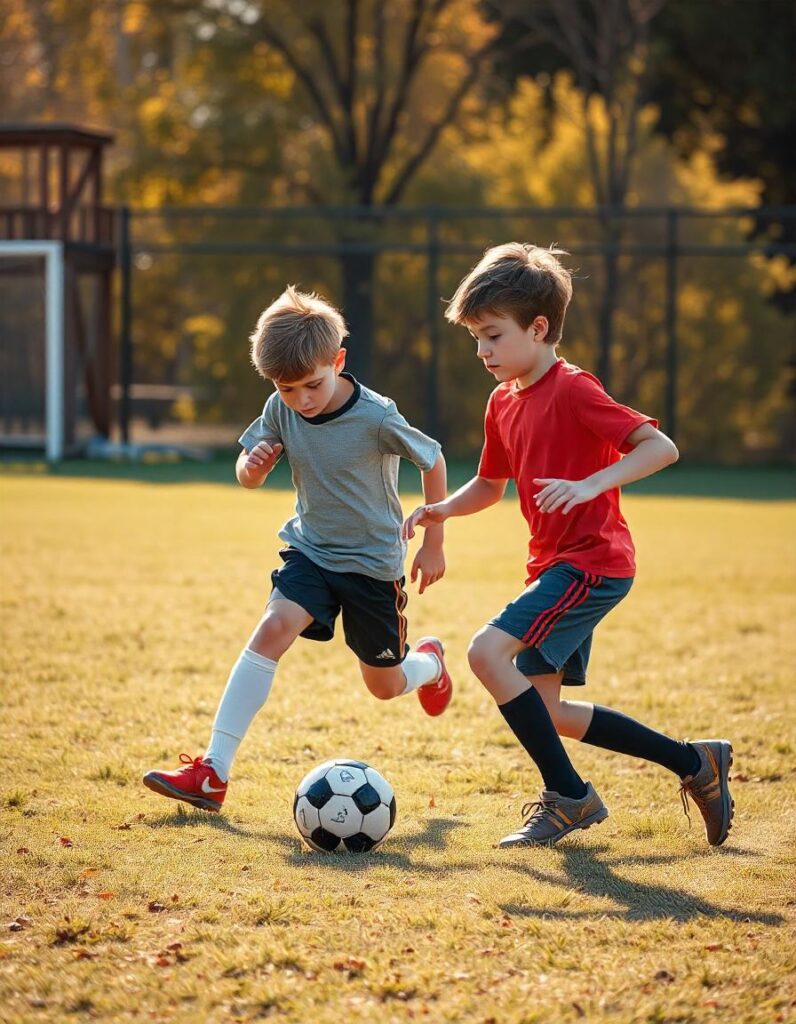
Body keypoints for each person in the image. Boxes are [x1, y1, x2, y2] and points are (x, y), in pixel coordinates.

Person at [403, 243, 733, 848]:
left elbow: (660, 448)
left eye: (494, 336)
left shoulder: (575, 389)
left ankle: (570, 797)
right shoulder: (502, 401)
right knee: (548, 712)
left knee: (484, 655)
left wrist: (590, 483)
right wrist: (439, 510)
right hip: (554, 567)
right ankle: (696, 763)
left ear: (539, 327)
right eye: (476, 337)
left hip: (591, 564)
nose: (483, 351)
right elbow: (489, 484)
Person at [144, 286, 452, 812]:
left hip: (373, 567)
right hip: (310, 550)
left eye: (313, 384)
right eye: (287, 389)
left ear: (339, 361)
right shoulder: (278, 407)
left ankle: (428, 665)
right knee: (271, 630)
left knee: (384, 685)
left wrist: (433, 541)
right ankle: (213, 772)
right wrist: (254, 468)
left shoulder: (377, 416)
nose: (302, 400)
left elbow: (434, 460)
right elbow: (245, 474)